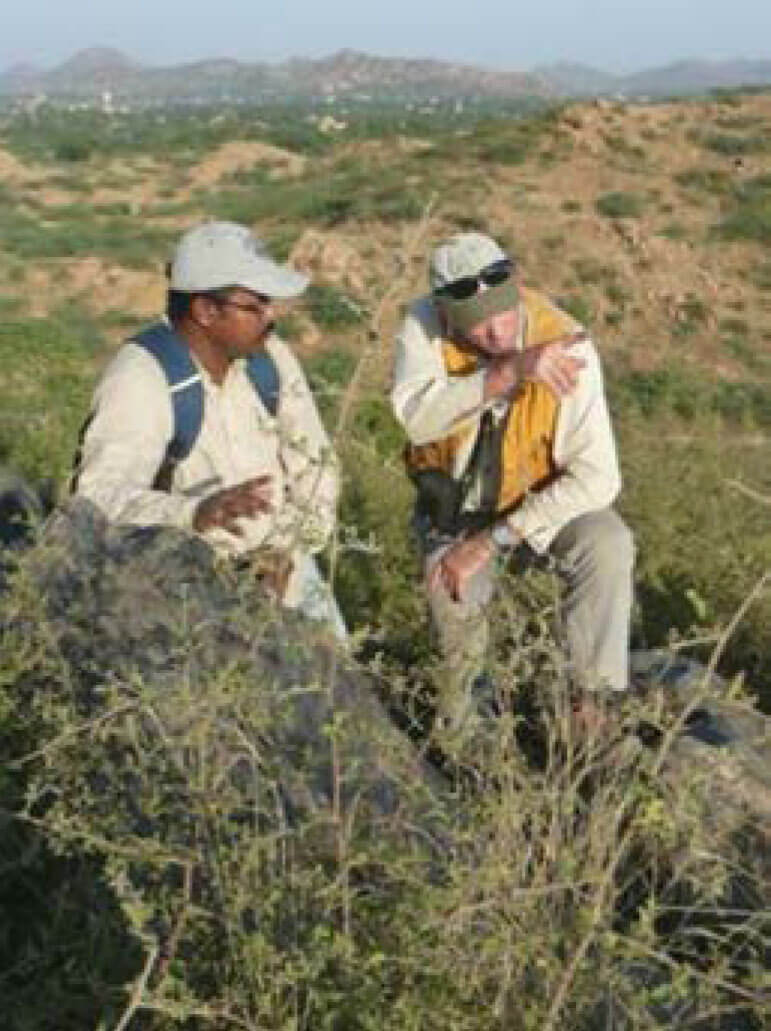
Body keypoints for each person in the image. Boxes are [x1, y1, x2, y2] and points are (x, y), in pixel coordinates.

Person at [391, 231, 633, 738]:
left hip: (539, 510)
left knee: (606, 542)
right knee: (451, 608)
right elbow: (417, 420)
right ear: (445, 316)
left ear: (517, 292)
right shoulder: (423, 326)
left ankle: (591, 708)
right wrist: (503, 375)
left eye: (503, 316)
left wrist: (495, 539)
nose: (496, 334)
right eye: (477, 327)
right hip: (457, 516)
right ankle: (465, 739)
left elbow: (598, 478)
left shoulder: (567, 342)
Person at [72, 220, 345, 637]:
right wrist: (192, 515)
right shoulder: (141, 377)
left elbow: (317, 467)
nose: (271, 317)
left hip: (287, 573)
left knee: (333, 693)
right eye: (255, 306)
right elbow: (97, 499)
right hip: (187, 593)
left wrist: (287, 548)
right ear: (205, 311)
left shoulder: (269, 359)